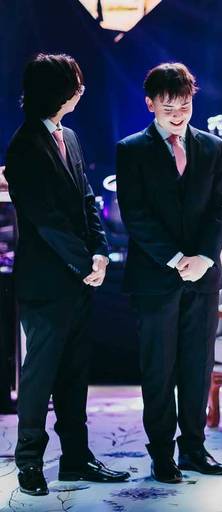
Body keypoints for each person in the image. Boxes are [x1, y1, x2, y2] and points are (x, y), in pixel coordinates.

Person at [4, 53, 129, 496]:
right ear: (58, 90)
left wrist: (101, 252)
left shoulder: (69, 137)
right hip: (45, 284)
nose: (82, 88)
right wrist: (84, 262)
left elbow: (87, 200)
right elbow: (47, 221)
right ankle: (29, 463)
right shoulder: (23, 146)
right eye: (76, 82)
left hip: (78, 279)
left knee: (75, 377)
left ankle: (76, 459)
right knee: (40, 378)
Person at [116, 62, 222, 483]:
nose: (178, 114)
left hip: (203, 276)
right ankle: (162, 453)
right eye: (168, 108)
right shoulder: (131, 149)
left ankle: (195, 450)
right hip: (155, 277)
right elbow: (135, 214)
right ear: (150, 104)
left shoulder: (213, 147)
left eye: (184, 105)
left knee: (198, 366)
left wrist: (203, 257)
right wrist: (175, 258)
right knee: (159, 369)